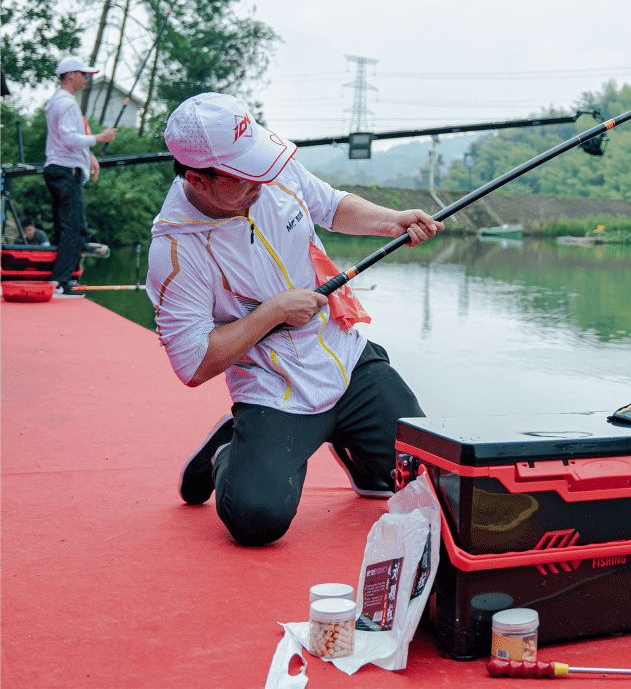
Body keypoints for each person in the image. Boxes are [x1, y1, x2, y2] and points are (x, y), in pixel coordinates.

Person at [146, 92, 444, 547]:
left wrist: (392, 221)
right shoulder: (174, 251)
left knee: (432, 483)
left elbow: (329, 205)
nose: (263, 182)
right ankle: (230, 450)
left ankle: (362, 456)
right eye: (246, 177)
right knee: (256, 520)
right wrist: (273, 313)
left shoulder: (270, 168)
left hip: (347, 361)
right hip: (274, 387)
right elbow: (193, 364)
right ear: (197, 179)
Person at [44, 56, 117, 296]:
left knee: (64, 229)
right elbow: (68, 139)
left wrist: (89, 156)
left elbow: (68, 140)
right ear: (70, 75)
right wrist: (99, 138)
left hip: (59, 169)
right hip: (65, 172)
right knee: (73, 229)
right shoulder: (66, 103)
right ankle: (61, 283)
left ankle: (54, 279)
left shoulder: (59, 101)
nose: (87, 79)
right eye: (84, 74)